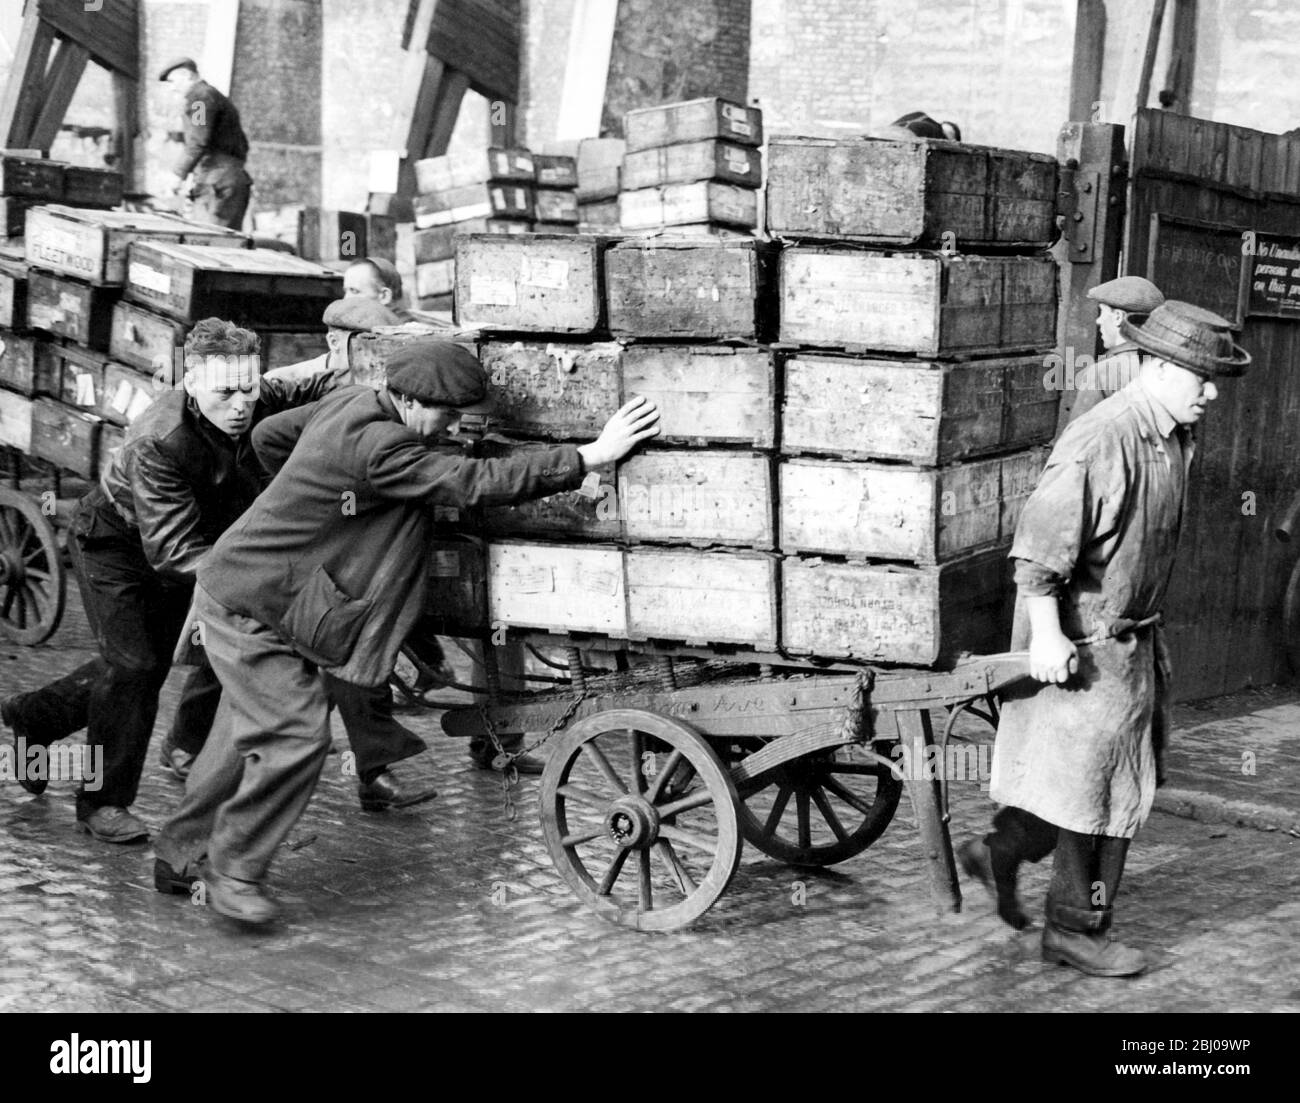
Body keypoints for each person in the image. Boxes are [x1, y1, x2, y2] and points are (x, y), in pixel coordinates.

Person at [152, 341, 658, 924]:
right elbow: (472, 482)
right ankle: (233, 874)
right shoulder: (379, 446)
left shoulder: (351, 401)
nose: (455, 424)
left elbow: (269, 440)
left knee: (245, 734)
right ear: (410, 401)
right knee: (293, 738)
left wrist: (316, 516)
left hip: (269, 589)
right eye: (446, 414)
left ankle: (179, 855)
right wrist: (590, 455)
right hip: (253, 603)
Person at [967, 301, 1248, 977]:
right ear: (1154, 367)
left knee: (1097, 781)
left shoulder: (1171, 434)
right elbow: (1038, 546)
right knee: (1102, 792)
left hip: (1131, 642)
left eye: (1214, 380)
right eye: (1199, 378)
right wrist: (1046, 633)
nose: (1210, 393)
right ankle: (1076, 927)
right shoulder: (1103, 438)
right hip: (1082, 645)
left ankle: (1002, 851)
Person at [0, 320, 336, 840]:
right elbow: (175, 552)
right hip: (117, 546)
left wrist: (357, 362)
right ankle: (102, 805)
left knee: (144, 661)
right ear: (193, 381)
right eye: (225, 393)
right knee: (136, 665)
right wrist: (263, 580)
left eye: (249, 387)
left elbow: (311, 376)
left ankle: (35, 716)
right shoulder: (157, 439)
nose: (241, 404)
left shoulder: (256, 390)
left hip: (198, 547)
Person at [959, 275, 1170, 923]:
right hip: (1087, 602)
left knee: (1081, 757)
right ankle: (1062, 902)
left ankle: (1003, 849)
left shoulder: (1114, 379)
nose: (1101, 324)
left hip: (1090, 597)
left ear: (1129, 322)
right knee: (1087, 758)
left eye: (1108, 315)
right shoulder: (1143, 387)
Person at [160, 58, 252, 230]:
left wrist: (178, 174)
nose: (172, 88)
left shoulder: (200, 99)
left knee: (212, 241)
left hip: (217, 181)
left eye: (173, 81)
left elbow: (199, 140)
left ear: (186, 75)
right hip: (218, 177)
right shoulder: (206, 96)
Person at [1068, 275, 1166, 423]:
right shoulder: (1168, 369)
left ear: (1118, 317)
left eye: (1102, 312)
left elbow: (1076, 440)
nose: (1098, 320)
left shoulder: (1103, 372)